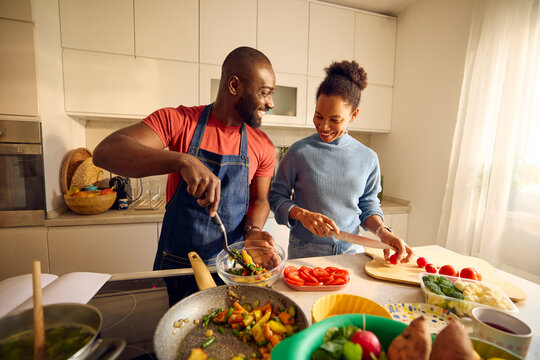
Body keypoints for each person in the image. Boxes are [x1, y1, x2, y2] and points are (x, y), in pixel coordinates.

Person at [93, 46, 278, 271]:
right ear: (234, 85)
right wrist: (182, 160)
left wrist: (253, 232)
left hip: (233, 265)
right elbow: (105, 152)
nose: (270, 103)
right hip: (178, 265)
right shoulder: (178, 121)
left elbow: (260, 201)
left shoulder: (263, 144)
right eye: (265, 92)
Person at [269, 60, 413, 263]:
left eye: (335, 120)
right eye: (318, 116)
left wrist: (383, 232)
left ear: (353, 115)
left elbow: (368, 205)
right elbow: (276, 197)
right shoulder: (299, 152)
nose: (324, 126)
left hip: (350, 252)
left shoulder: (368, 158)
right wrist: (302, 214)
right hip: (305, 251)